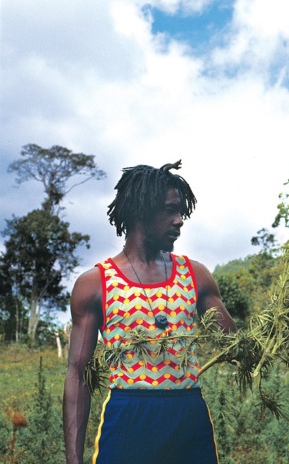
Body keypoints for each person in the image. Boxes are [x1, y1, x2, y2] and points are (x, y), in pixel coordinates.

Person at [63, 161, 236, 464]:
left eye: (181, 211)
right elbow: (78, 374)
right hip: (129, 416)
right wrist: (74, 460)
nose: (180, 220)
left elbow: (235, 345)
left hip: (188, 416)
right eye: (170, 210)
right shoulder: (95, 284)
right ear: (141, 210)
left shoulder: (196, 275)